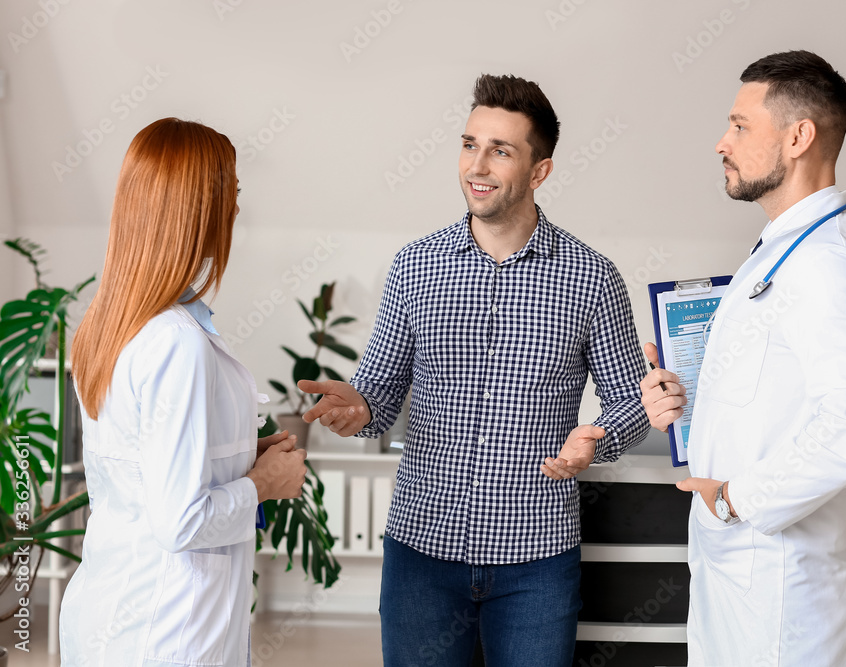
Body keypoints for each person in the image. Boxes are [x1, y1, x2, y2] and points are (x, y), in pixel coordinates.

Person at [299, 74, 649, 666]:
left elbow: (631, 403)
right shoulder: (415, 268)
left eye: (500, 150)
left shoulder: (592, 278)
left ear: (540, 172)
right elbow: (379, 394)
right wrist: (359, 408)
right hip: (421, 557)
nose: (476, 165)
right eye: (468, 144)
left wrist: (600, 439)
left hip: (536, 563)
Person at [642, 50, 846, 665]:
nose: (721, 143)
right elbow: (770, 398)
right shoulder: (780, 252)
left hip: (783, 595)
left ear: (799, 137)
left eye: (740, 126)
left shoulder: (829, 263)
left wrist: (735, 501)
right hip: (741, 583)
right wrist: (685, 396)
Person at [60, 118, 307, 667]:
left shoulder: (108, 325)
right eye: (233, 194)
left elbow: (142, 472)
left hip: (111, 614)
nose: (238, 211)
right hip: (166, 632)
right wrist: (264, 485)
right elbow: (181, 521)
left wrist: (243, 458)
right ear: (198, 210)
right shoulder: (177, 343)